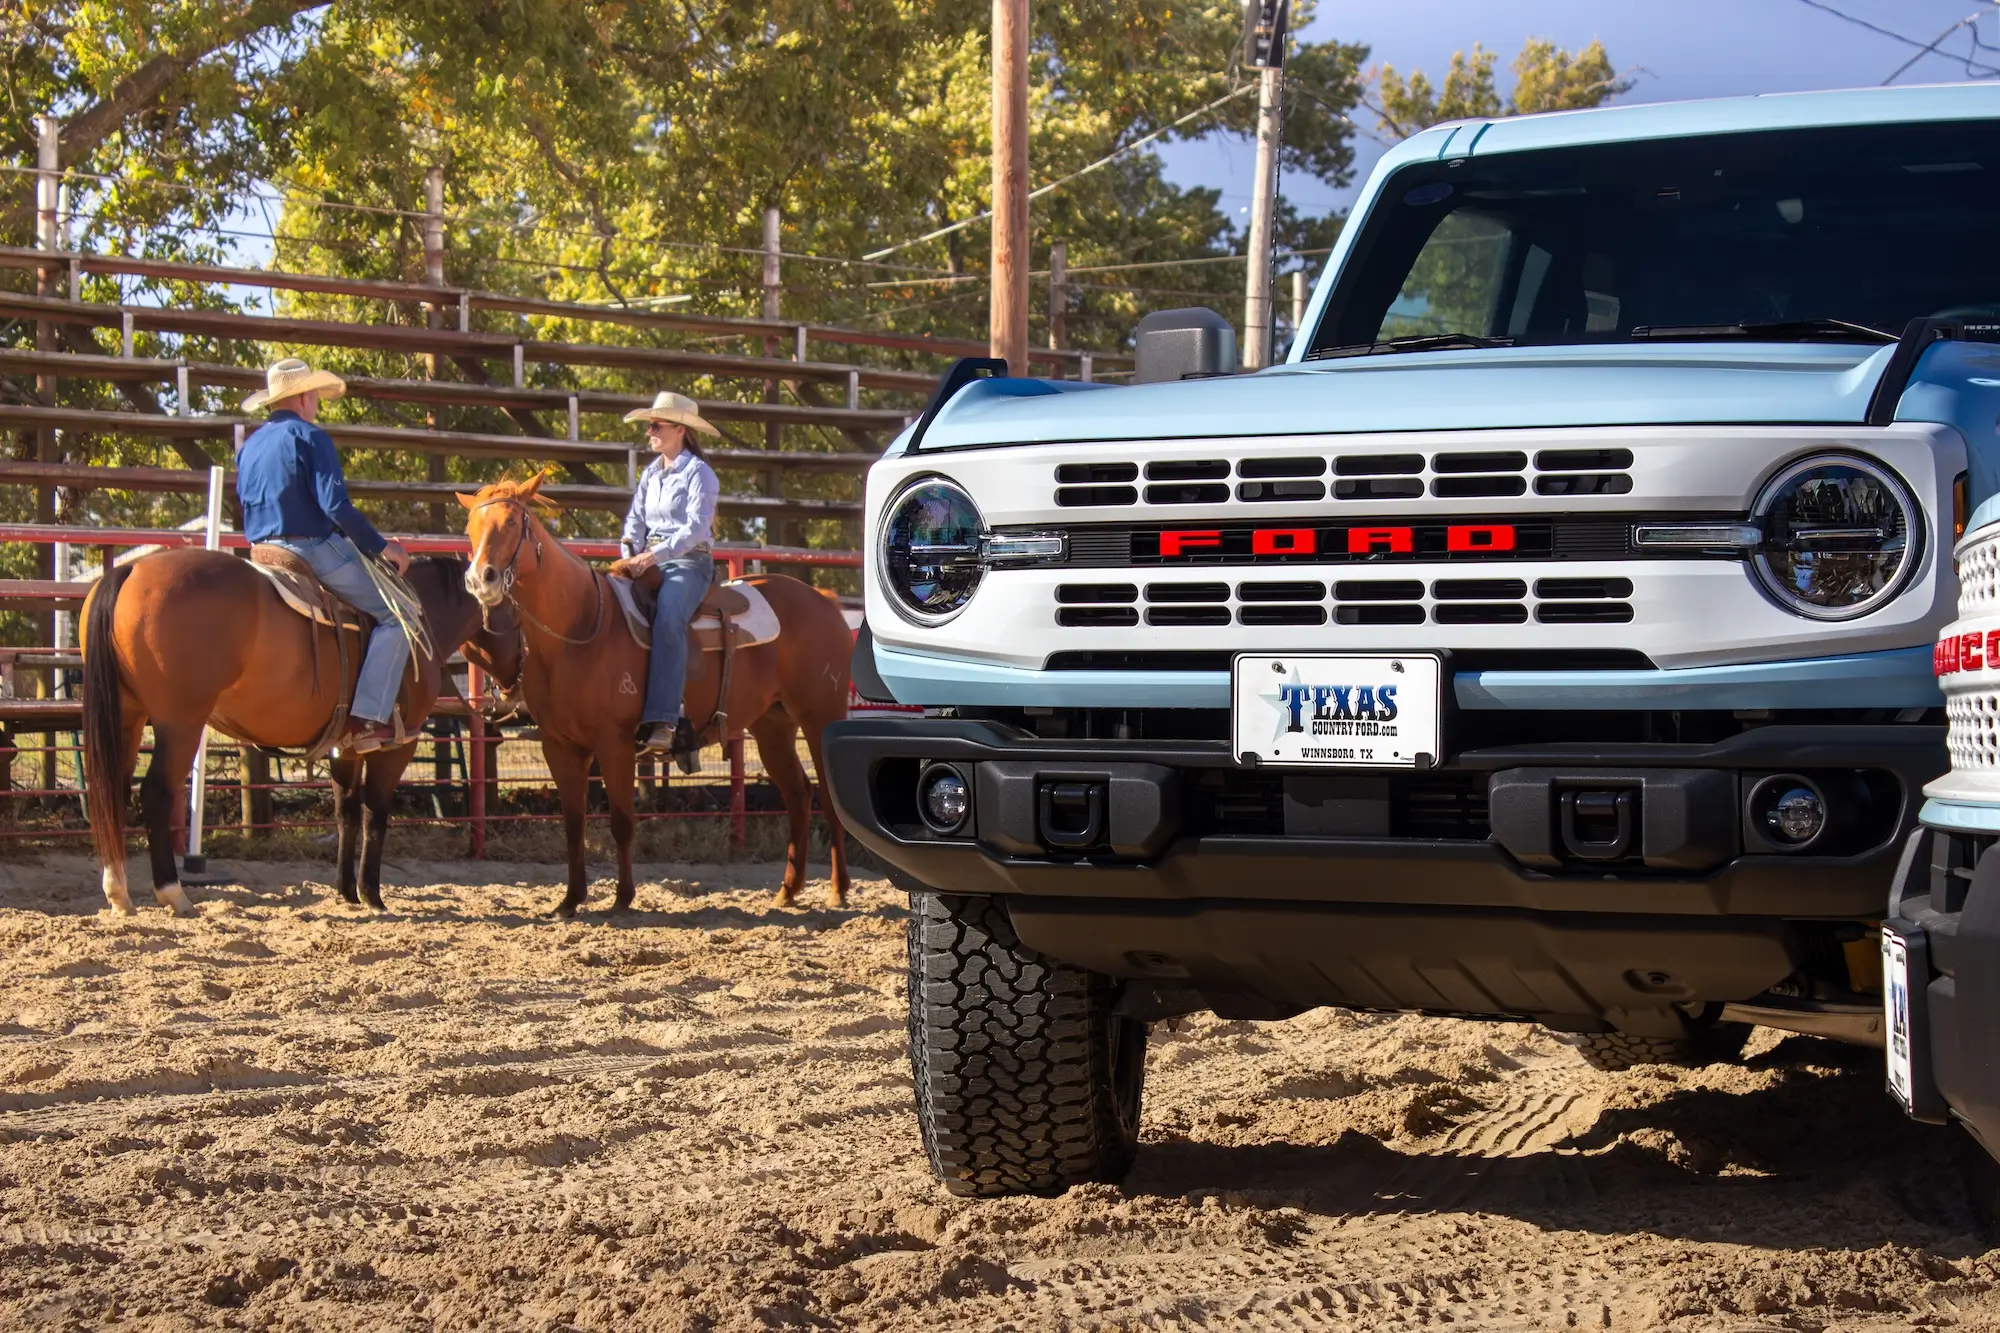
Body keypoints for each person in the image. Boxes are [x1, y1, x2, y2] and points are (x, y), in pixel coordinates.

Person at [236, 357, 413, 754]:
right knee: (399, 614)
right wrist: (383, 547)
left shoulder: (249, 447)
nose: (316, 403)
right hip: (309, 548)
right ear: (303, 397)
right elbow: (336, 507)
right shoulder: (311, 437)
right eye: (314, 395)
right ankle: (366, 719)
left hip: (261, 552)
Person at [607, 390, 721, 756]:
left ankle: (665, 720)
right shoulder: (650, 473)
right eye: (650, 426)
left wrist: (651, 556)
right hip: (648, 558)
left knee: (670, 617)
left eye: (656, 426)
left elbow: (696, 529)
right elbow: (634, 521)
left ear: (680, 430)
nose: (650, 432)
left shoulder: (700, 473)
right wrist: (629, 553)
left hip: (689, 562)